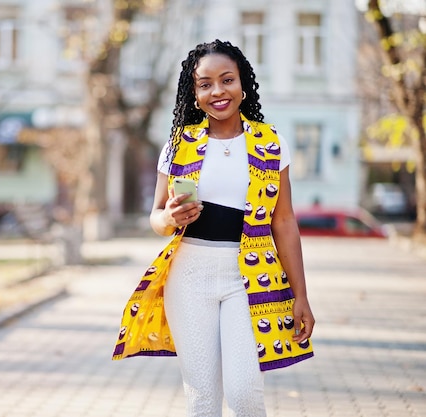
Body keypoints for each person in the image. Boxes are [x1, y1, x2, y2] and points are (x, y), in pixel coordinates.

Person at [112, 39, 315, 417]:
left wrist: (300, 295)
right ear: (194, 93)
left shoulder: (271, 144)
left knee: (243, 393)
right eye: (204, 84)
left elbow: (284, 222)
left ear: (243, 84)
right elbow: (156, 218)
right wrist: (170, 218)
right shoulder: (179, 145)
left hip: (251, 279)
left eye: (226, 80)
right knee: (202, 399)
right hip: (189, 276)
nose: (217, 91)